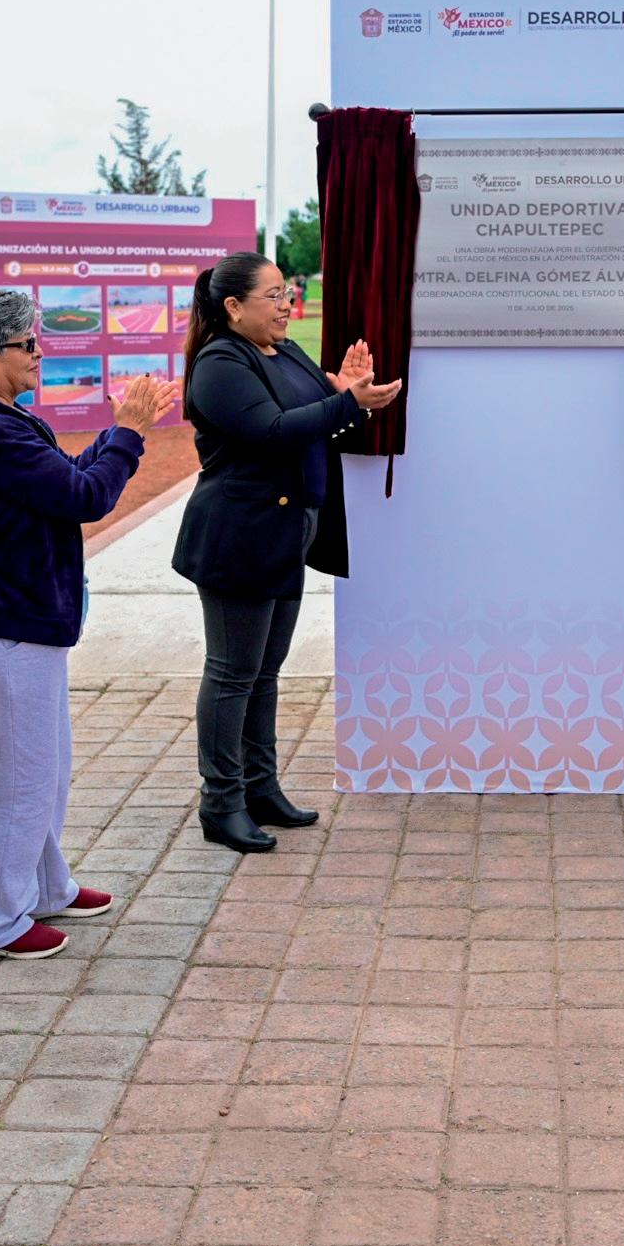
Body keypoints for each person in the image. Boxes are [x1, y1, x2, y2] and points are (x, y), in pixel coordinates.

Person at [0, 289, 176, 958]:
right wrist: (129, 433)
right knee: (22, 778)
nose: (40, 354)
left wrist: (116, 436)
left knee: (45, 767)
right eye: (27, 345)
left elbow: (63, 480)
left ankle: (43, 885)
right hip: (2, 619)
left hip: (17, 615)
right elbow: (85, 495)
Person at [171, 253, 401, 852]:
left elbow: (319, 420)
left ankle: (260, 787)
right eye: (273, 295)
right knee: (232, 673)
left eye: (286, 293)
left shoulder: (286, 350)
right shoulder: (221, 362)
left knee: (264, 672)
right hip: (239, 537)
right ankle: (221, 803)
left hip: (286, 531)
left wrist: (345, 394)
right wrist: (347, 402)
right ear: (233, 307)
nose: (286, 304)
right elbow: (272, 431)